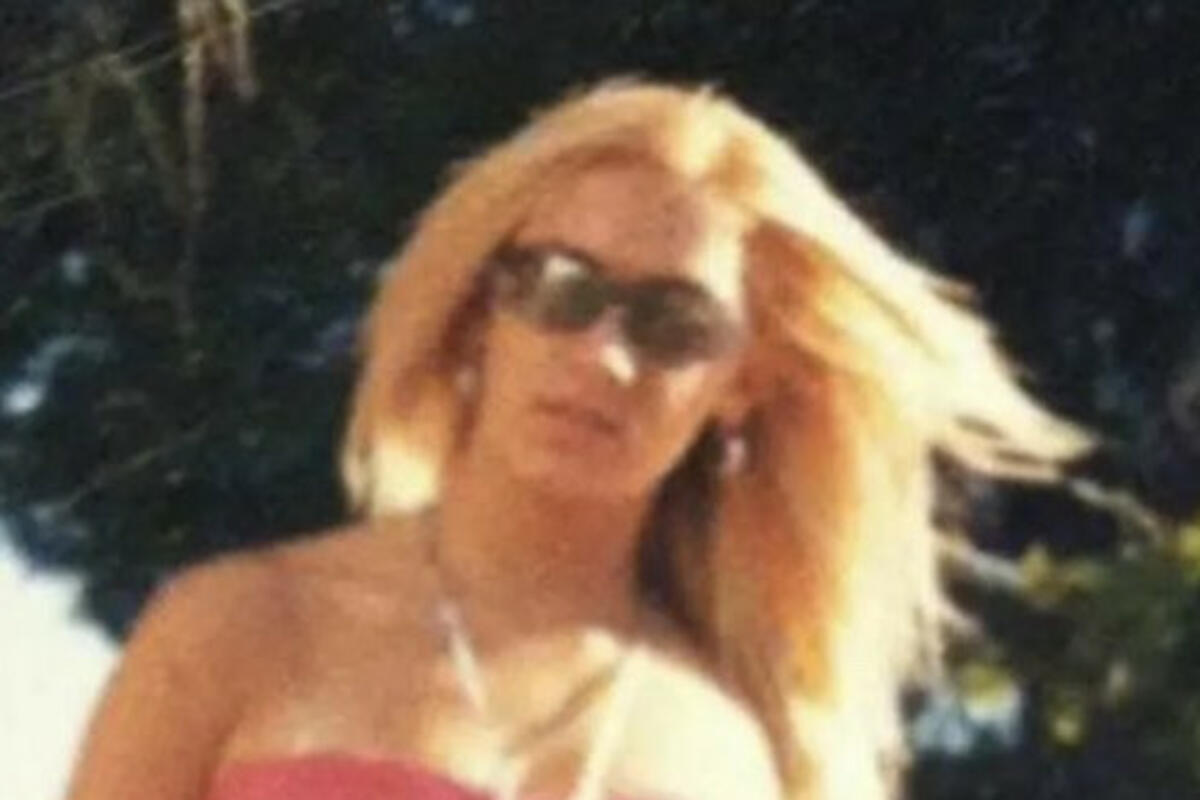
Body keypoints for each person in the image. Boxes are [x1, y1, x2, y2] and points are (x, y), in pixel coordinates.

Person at [65, 79, 1091, 800]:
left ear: (742, 385)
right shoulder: (239, 631)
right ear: (481, 312)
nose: (603, 355)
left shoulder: (741, 758)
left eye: (673, 323)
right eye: (563, 288)